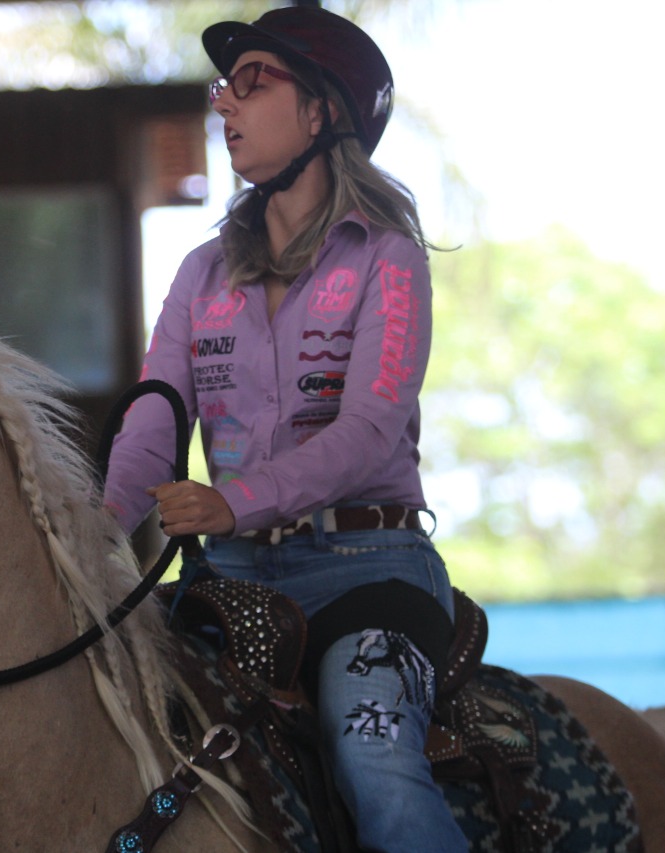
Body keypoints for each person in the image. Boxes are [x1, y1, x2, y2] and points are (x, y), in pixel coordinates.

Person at [103, 6, 466, 851]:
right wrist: (96, 534)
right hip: (228, 580)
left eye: (253, 83)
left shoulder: (388, 256)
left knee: (373, 751)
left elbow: (373, 428)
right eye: (225, 87)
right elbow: (157, 414)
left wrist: (234, 500)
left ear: (322, 112)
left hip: (368, 571)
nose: (224, 104)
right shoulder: (200, 272)